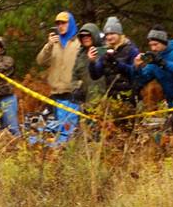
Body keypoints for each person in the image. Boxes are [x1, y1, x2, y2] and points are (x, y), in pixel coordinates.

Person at [36, 11, 81, 143]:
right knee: (55, 131)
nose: (60, 26)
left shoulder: (78, 44)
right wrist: (48, 45)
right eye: (58, 23)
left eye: (63, 23)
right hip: (55, 94)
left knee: (70, 133)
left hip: (72, 94)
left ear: (70, 23)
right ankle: (57, 158)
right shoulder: (53, 44)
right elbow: (40, 61)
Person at [89, 16, 139, 104]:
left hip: (128, 97)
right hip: (111, 99)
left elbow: (134, 73)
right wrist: (92, 62)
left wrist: (116, 62)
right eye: (107, 34)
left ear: (119, 34)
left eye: (112, 33)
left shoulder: (131, 50)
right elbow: (95, 75)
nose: (109, 37)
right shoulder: (104, 51)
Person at [71, 22, 106, 105]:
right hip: (85, 101)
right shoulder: (80, 55)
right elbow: (74, 76)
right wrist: (76, 88)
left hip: (104, 100)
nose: (85, 38)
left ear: (94, 35)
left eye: (88, 35)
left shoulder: (104, 52)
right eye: (82, 36)